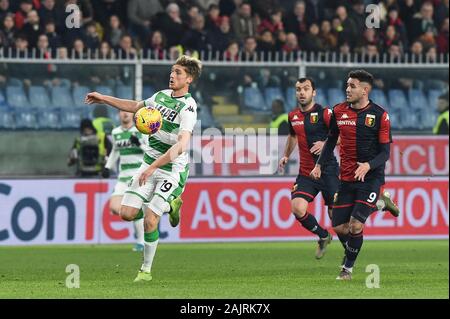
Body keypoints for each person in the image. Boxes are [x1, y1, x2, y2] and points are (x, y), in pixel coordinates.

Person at [85, 55, 202, 282]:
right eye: (172, 71)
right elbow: (135, 106)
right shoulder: (160, 96)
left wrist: (152, 167)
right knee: (126, 213)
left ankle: (145, 271)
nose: (172, 75)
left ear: (188, 79)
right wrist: (103, 99)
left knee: (150, 218)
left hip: (172, 168)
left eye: (178, 72)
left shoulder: (188, 107)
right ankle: (170, 205)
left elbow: (181, 146)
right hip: (149, 164)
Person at [311, 70, 400, 280]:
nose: (347, 89)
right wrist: (319, 165)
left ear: (365, 90)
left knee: (355, 225)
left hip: (371, 178)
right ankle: (380, 204)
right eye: (347, 85)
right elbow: (331, 139)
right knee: (340, 228)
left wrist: (368, 166)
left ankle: (347, 270)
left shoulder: (380, 116)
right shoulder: (338, 111)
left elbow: (385, 152)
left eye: (352, 86)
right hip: (347, 178)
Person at [279, 77, 336, 259]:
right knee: (297, 208)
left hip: (328, 171)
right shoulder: (292, 116)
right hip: (306, 173)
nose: (301, 92)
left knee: (338, 219)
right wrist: (286, 155)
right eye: (298, 89)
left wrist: (325, 143)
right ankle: (323, 235)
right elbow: (293, 136)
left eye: (306, 89)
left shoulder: (325, 113)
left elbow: (340, 136)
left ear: (314, 92)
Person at [103, 110, 148, 252]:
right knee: (114, 207)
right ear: (118, 114)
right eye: (122, 111)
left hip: (138, 177)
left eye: (128, 112)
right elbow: (115, 151)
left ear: (133, 115)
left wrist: (139, 144)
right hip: (123, 177)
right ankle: (138, 214)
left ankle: (141, 242)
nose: (125, 114)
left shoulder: (142, 130)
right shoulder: (116, 132)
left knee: (130, 210)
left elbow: (151, 152)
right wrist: (108, 167)